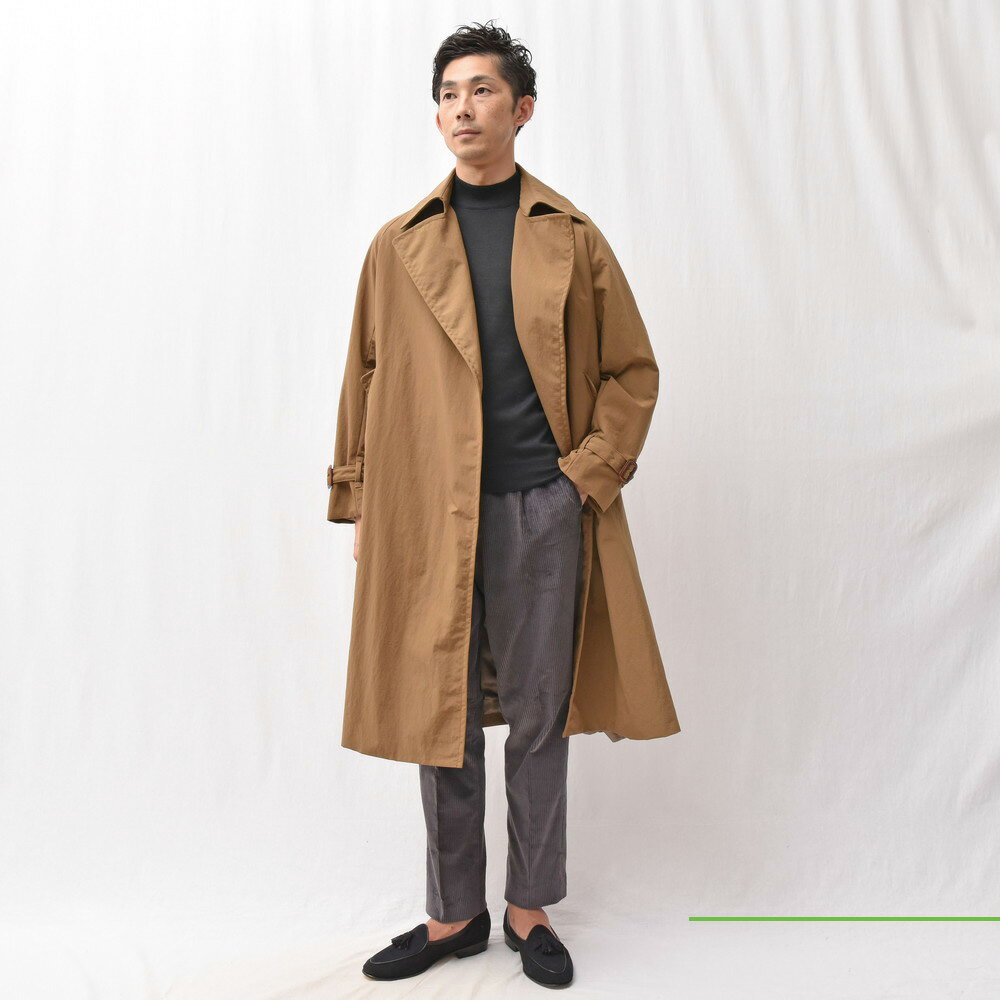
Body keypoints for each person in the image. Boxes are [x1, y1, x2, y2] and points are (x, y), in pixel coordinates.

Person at [328, 19, 680, 988]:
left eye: (481, 91)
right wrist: (363, 505)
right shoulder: (397, 246)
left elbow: (632, 371)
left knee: (537, 715)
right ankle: (454, 914)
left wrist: (584, 480)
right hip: (426, 516)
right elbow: (363, 377)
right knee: (437, 715)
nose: (462, 109)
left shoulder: (570, 236)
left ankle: (529, 909)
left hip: (539, 508)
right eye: (448, 94)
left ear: (522, 109)